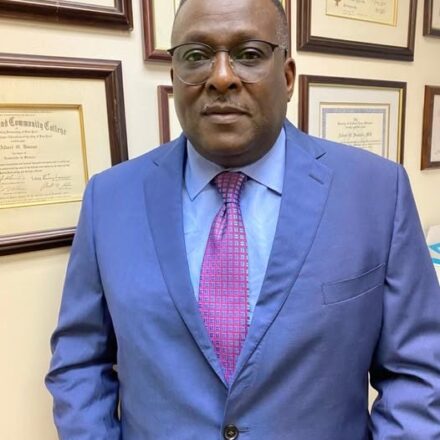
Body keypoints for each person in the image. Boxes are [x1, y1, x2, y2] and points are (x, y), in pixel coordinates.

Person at [46, 0, 440, 438]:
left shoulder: (376, 193)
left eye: (249, 54)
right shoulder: (109, 199)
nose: (221, 77)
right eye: (196, 55)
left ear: (287, 77)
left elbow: (419, 370)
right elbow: (80, 362)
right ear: (174, 76)